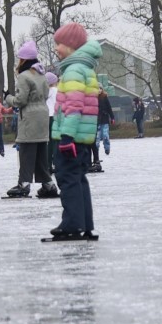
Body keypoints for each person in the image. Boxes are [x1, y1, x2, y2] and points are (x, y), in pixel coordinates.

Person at [49, 22, 101, 240]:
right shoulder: (86, 69)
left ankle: (72, 224)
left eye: (59, 44)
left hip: (71, 136)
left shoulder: (73, 71)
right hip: (83, 137)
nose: (56, 49)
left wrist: (66, 136)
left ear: (70, 46)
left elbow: (73, 107)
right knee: (79, 179)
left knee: (68, 178)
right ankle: (84, 223)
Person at [3, 40, 58, 198]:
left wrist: (8, 98)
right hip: (42, 115)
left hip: (30, 116)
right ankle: (48, 184)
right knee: (41, 151)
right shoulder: (41, 75)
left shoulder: (24, 76)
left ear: (24, 60)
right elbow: (46, 94)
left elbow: (21, 101)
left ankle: (24, 184)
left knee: (26, 150)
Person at [91, 88, 115, 171]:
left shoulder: (104, 97)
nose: (99, 90)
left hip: (104, 120)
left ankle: (107, 148)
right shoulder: (93, 98)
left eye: (100, 88)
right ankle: (96, 155)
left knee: (105, 135)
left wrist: (112, 117)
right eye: (97, 88)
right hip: (97, 121)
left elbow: (109, 108)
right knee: (96, 138)